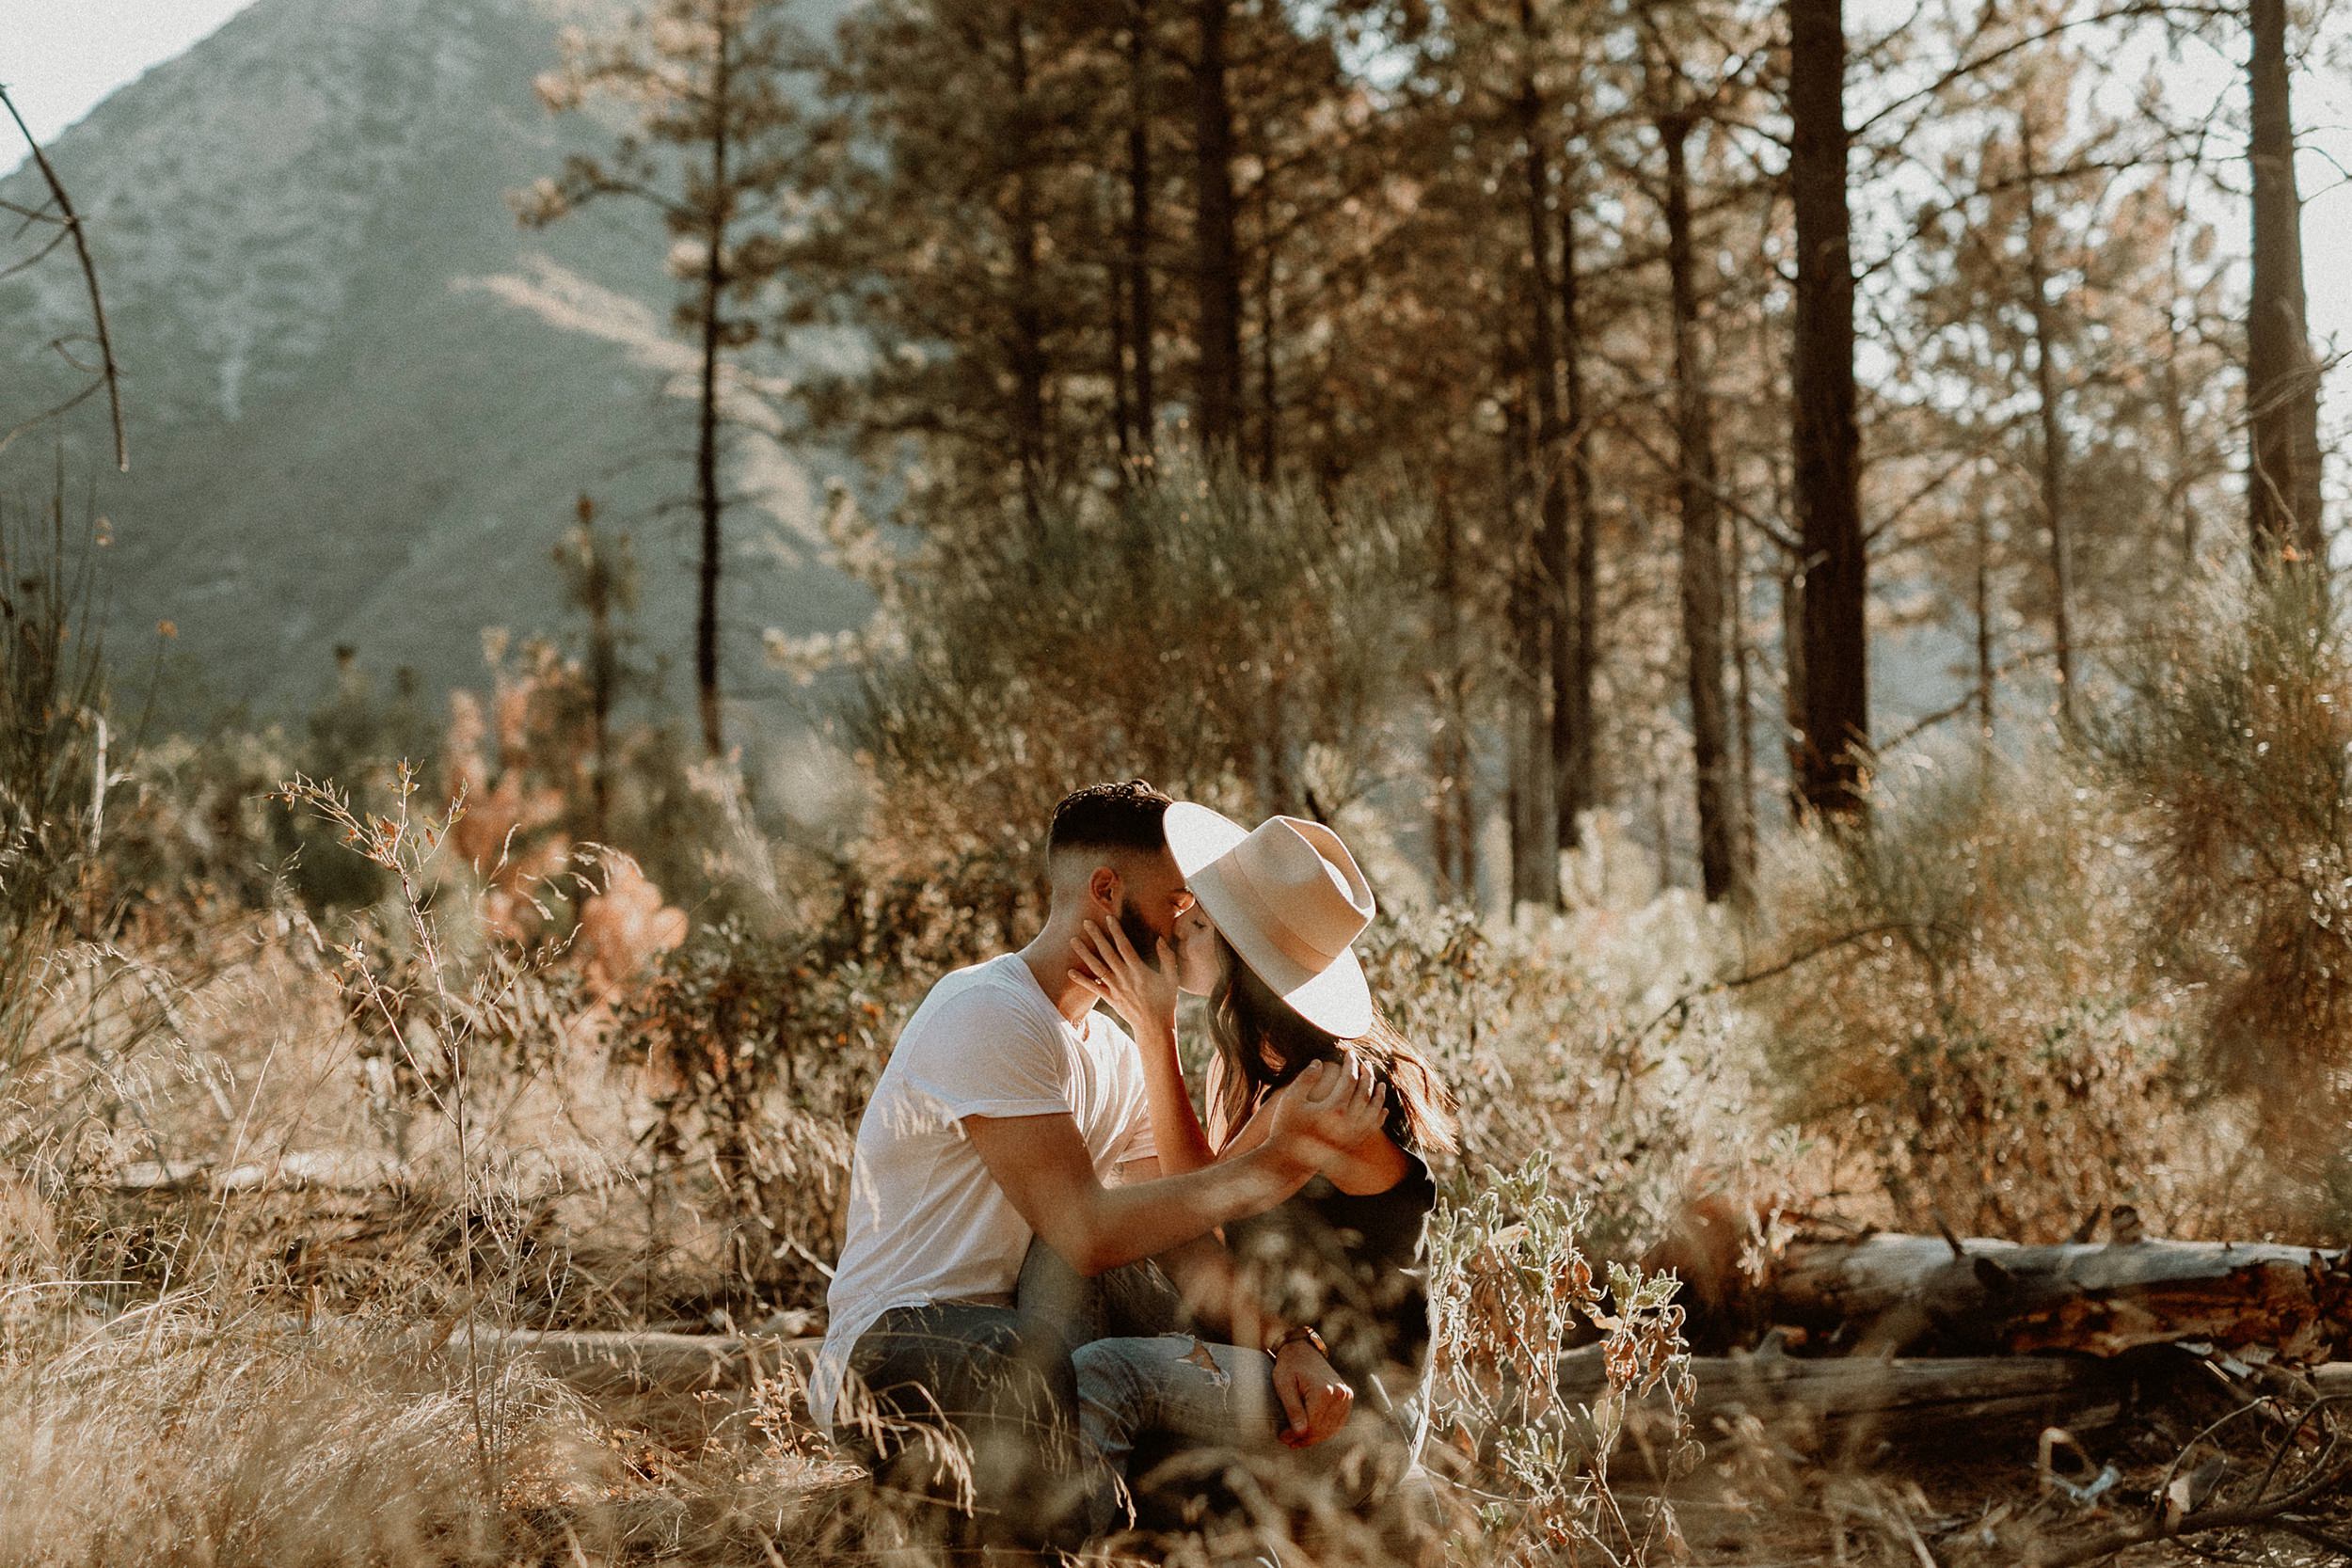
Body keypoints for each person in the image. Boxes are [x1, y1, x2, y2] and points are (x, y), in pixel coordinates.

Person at [811, 781, 1389, 1549]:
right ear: (1106, 891)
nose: (1194, 921)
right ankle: (1104, 1534)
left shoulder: (1115, 1054)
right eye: (1179, 899)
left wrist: (1287, 1341)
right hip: (898, 1345)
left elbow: (1182, 1241)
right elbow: (1082, 1231)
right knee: (1023, 1351)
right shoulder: (987, 1010)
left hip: (1032, 1336)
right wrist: (1269, 1166)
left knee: (1171, 1323)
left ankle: (1281, 1507)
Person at [1065, 805, 1459, 1508]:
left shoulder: (1326, 1092)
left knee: (1107, 1372)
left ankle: (1073, 1547)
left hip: (1351, 1414)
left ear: (1243, 961)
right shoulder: (1245, 1070)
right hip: (1281, 1361)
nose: (1179, 921)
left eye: (1204, 920)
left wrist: (1153, 1029)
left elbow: (1197, 1203)